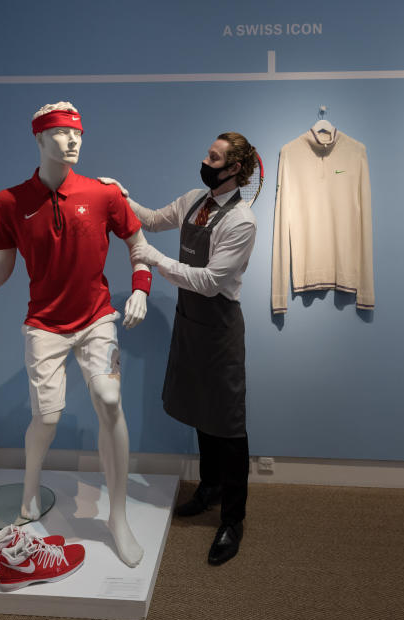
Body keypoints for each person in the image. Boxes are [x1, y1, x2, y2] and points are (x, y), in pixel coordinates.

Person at [0, 102, 151, 568]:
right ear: (39, 139)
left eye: (78, 132)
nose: (73, 141)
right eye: (61, 133)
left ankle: (117, 517)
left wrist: (140, 288)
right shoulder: (9, 202)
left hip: (97, 317)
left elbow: (138, 245)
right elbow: (0, 269)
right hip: (44, 323)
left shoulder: (105, 194)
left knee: (108, 399)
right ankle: (27, 496)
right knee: (47, 418)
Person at [100, 132, 258, 565]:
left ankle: (232, 518)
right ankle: (208, 488)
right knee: (200, 408)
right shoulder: (195, 199)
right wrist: (121, 196)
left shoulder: (241, 221)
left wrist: (154, 260)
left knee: (228, 422)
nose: (205, 161)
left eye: (214, 157)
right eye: (207, 153)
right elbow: (150, 219)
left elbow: (210, 281)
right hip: (191, 322)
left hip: (220, 325)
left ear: (235, 170)